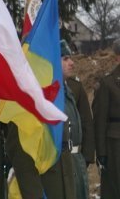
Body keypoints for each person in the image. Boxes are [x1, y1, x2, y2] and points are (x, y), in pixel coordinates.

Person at [6, 40, 85, 198]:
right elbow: (23, 161)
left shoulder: (57, 94)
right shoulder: (25, 101)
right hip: (45, 186)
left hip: (65, 178)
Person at [61, 40, 95, 199]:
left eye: (71, 58)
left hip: (77, 157)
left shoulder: (75, 87)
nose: (72, 63)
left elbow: (86, 122)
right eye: (66, 58)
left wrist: (87, 156)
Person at [93, 38, 120, 199]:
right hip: (115, 144)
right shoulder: (108, 83)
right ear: (117, 57)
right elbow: (100, 120)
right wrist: (101, 152)